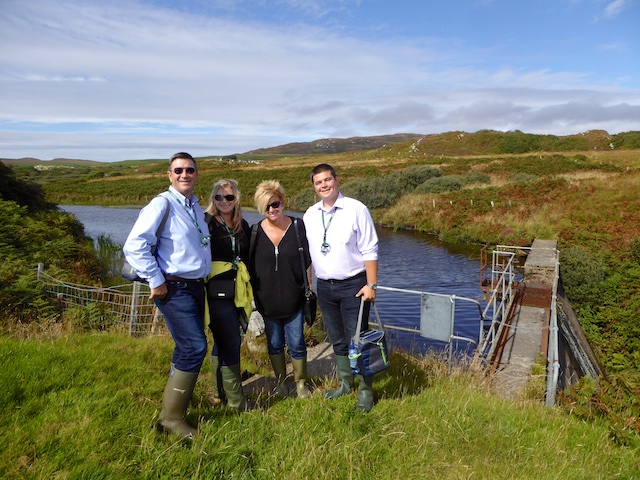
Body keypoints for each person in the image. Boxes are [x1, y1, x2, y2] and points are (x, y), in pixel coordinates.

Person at [123, 152, 212, 438]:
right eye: (178, 170)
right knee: (195, 347)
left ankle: (172, 411)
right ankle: (171, 420)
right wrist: (155, 279)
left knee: (186, 346)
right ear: (169, 175)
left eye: (189, 170)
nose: (184, 174)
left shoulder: (195, 206)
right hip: (174, 288)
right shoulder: (162, 204)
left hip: (196, 286)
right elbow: (135, 246)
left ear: (197, 174)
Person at [303, 163, 379, 412]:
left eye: (327, 180)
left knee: (357, 339)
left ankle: (366, 391)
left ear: (336, 180)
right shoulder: (310, 214)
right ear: (314, 186)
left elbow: (370, 248)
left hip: (354, 286)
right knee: (337, 340)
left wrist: (371, 284)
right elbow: (311, 252)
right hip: (325, 287)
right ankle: (346, 383)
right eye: (318, 182)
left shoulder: (356, 209)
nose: (324, 185)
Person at [249, 180, 312, 399]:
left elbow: (309, 261)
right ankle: (281, 384)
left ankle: (301, 384)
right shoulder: (254, 232)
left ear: (282, 202)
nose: (271, 210)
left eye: (274, 204)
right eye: (266, 207)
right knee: (274, 344)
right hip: (267, 302)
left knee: (297, 343)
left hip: (294, 300)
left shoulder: (298, 227)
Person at [204, 179, 254, 410]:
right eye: (219, 197)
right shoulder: (205, 223)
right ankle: (236, 401)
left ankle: (219, 394)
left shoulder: (241, 224)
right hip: (215, 292)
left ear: (237, 200)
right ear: (213, 199)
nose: (224, 201)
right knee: (231, 342)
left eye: (230, 197)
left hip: (238, 291)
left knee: (222, 343)